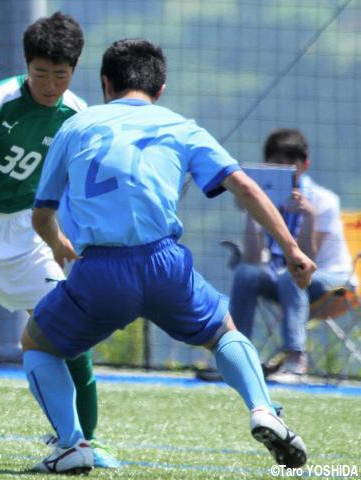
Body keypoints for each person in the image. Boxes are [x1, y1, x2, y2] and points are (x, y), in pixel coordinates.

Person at [20, 39, 315, 474]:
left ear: (106, 83)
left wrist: (60, 245)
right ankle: (263, 409)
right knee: (223, 332)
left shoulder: (76, 126)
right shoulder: (180, 126)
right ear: (160, 90)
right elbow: (247, 188)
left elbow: (42, 213)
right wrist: (291, 248)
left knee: (36, 345)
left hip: (100, 269)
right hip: (164, 263)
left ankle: (70, 444)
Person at [0, 12, 119, 468]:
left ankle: (81, 441)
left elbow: (87, 184)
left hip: (25, 232)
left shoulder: (79, 117)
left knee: (70, 334)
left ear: (74, 70)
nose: (49, 85)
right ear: (26, 65)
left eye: (60, 74)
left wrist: (70, 236)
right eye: (40, 74)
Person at [230, 129, 355, 384]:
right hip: (283, 277)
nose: (284, 170)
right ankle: (235, 357)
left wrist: (308, 217)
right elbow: (253, 259)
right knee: (245, 273)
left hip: (330, 280)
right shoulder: (261, 199)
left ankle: (295, 361)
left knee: (293, 274)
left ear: (304, 164)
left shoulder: (323, 201)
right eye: (276, 164)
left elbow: (308, 260)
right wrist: (251, 215)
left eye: (290, 163)